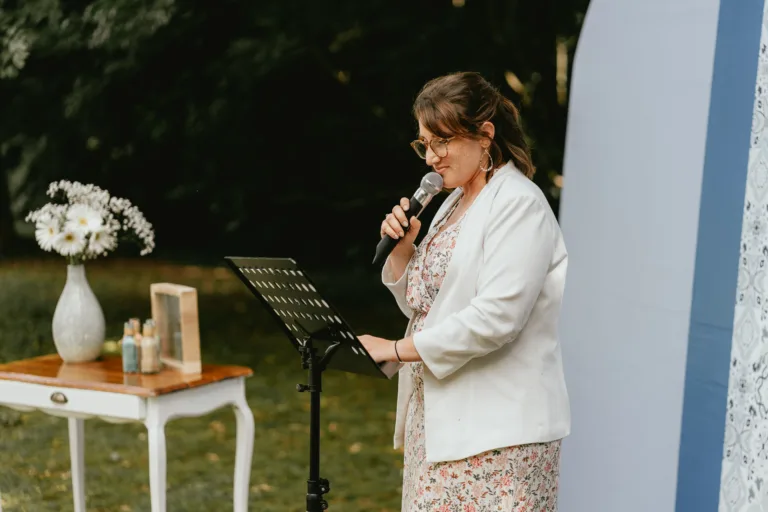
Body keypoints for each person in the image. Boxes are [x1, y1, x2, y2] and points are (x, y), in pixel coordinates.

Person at [358, 71, 570, 511]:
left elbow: (496, 320)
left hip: (499, 438)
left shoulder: (519, 204)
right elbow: (426, 306)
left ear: (484, 135)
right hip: (438, 427)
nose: (431, 157)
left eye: (442, 141)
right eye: (424, 143)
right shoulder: (452, 203)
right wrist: (404, 251)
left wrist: (395, 350)